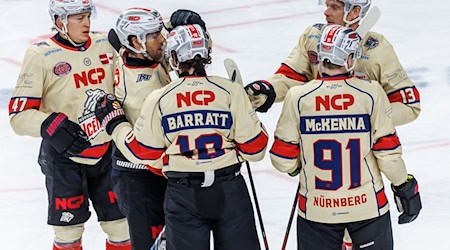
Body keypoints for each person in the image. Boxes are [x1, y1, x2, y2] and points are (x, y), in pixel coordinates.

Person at [95, 24, 268, 250]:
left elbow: (142, 152)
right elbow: (255, 149)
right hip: (229, 189)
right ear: (206, 55)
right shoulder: (230, 91)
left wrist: (116, 124)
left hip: (184, 193)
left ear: (174, 58)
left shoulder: (160, 97)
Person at [269, 24, 422, 250]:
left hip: (316, 211)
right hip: (368, 208)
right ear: (350, 58)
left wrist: (297, 167)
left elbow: (282, 159)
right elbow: (388, 155)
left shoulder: (298, 96)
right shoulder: (371, 93)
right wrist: (404, 186)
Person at [8, 0, 131, 249]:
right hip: (63, 158)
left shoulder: (105, 44)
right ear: (59, 22)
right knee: (68, 233)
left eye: (87, 16)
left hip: (108, 151)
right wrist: (49, 125)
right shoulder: (40, 54)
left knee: (121, 227)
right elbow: (18, 116)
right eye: (78, 18)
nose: (87, 23)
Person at [99, 7, 208, 250]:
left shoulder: (133, 53)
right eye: (154, 34)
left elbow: (114, 36)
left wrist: (181, 28)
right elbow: (149, 152)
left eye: (160, 31)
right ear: (136, 42)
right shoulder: (143, 93)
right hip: (141, 177)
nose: (163, 38)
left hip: (143, 171)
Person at [245, 0, 420, 127]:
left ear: (355, 12)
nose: (326, 12)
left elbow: (408, 105)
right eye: (327, 5)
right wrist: (269, 89)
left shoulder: (376, 48)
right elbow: (293, 76)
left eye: (334, 7)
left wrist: (367, 118)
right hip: (316, 137)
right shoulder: (313, 35)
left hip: (360, 151)